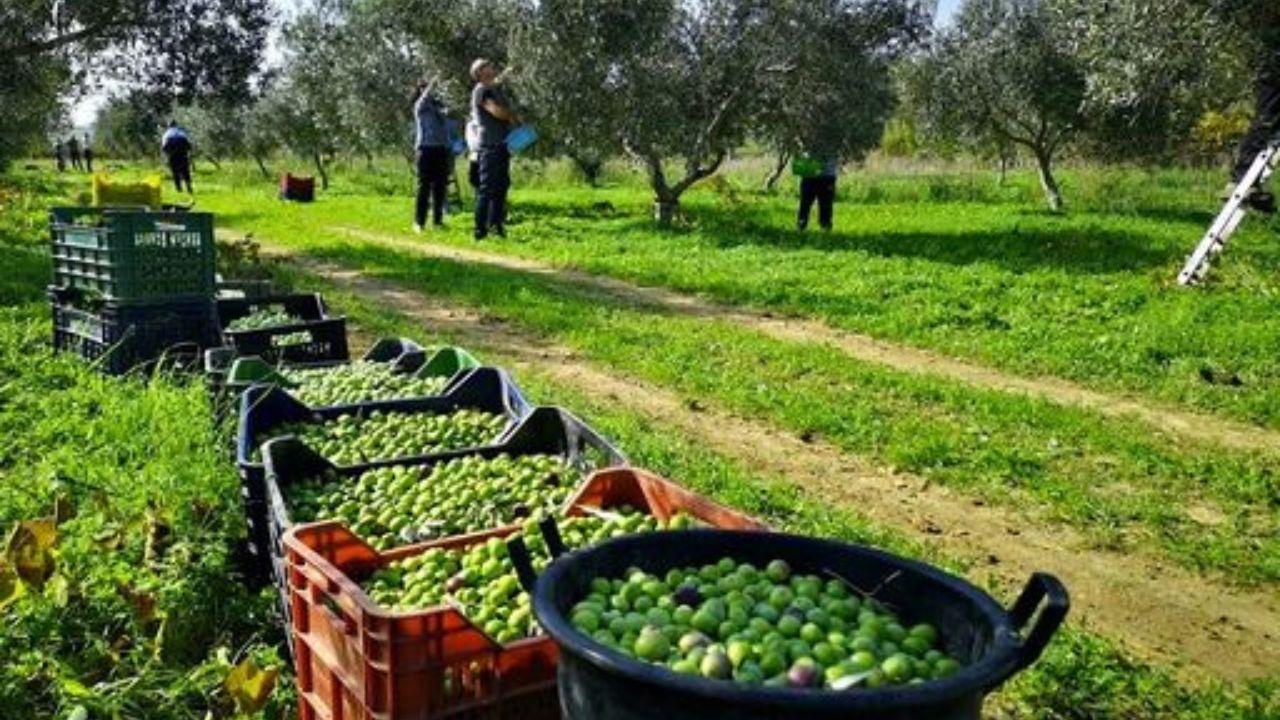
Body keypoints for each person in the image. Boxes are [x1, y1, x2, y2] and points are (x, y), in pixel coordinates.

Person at [1223, 0, 1280, 211]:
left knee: (1266, 119)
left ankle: (1246, 181)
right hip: (1274, 68)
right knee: (1265, 119)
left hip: (1270, 66)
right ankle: (1241, 178)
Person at [469, 58, 518, 240]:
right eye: (488, 66)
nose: (492, 67)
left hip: (501, 145)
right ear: (480, 72)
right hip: (489, 146)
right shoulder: (481, 91)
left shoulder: (492, 89)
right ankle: (480, 230)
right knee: (487, 189)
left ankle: (496, 226)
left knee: (501, 187)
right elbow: (496, 111)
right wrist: (510, 115)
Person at [412, 81, 452, 232]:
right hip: (425, 150)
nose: (427, 91)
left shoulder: (438, 108)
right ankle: (419, 222)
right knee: (424, 187)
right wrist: (434, 83)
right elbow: (424, 97)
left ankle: (437, 221)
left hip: (441, 150)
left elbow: (448, 115)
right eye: (423, 87)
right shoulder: (420, 107)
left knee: (440, 187)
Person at [797, 156, 839, 232]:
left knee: (825, 203)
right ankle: (801, 225)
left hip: (826, 174)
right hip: (810, 172)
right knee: (805, 202)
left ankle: (825, 227)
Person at [161, 120, 193, 193]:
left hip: (172, 152)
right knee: (185, 170)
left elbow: (164, 147)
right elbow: (188, 146)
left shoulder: (167, 134)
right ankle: (188, 186)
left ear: (169, 126)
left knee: (175, 171)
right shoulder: (182, 132)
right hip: (182, 151)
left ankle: (179, 188)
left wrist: (167, 155)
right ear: (176, 125)